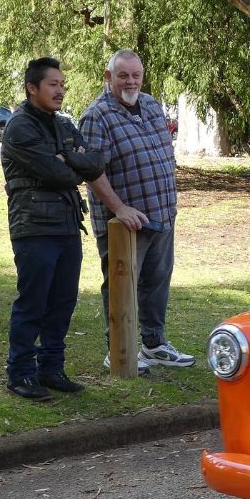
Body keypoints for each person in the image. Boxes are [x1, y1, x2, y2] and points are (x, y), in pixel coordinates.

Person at [1, 57, 142, 400]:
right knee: (33, 302)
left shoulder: (62, 124)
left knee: (63, 301)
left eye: (63, 85)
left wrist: (67, 158)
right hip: (33, 227)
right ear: (32, 88)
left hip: (66, 225)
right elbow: (58, 174)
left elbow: (95, 162)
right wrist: (68, 162)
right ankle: (20, 373)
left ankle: (51, 368)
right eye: (53, 84)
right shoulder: (20, 127)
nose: (60, 90)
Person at [82, 49, 196, 371]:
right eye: (123, 75)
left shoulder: (150, 104)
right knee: (121, 286)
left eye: (136, 75)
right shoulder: (97, 115)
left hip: (162, 215)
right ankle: (118, 349)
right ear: (108, 77)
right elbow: (91, 171)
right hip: (124, 225)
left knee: (156, 283)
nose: (130, 81)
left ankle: (154, 345)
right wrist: (120, 208)